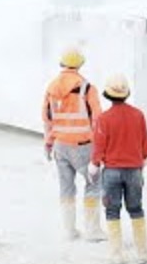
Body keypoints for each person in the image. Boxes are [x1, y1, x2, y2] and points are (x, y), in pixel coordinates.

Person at [42, 48, 104, 241]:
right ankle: (92, 231)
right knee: (94, 184)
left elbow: (47, 119)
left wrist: (48, 143)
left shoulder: (51, 89)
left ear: (62, 64)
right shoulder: (87, 88)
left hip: (60, 145)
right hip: (83, 146)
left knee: (66, 188)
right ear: (79, 65)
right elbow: (98, 119)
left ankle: (69, 231)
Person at [93, 74, 147, 264]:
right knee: (136, 209)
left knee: (112, 211)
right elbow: (145, 145)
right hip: (134, 170)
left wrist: (95, 163)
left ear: (108, 95)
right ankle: (142, 253)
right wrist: (140, 158)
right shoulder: (138, 115)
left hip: (111, 172)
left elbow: (99, 146)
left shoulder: (104, 119)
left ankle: (116, 255)